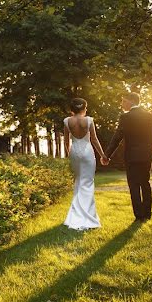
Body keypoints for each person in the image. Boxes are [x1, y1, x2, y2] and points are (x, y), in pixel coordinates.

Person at [104, 91, 152, 222]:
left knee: (134, 185)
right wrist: (147, 151)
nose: (121, 104)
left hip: (132, 157)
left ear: (130, 101)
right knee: (145, 183)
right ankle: (147, 213)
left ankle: (139, 215)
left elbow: (117, 137)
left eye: (122, 101)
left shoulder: (125, 117)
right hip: (146, 155)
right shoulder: (149, 116)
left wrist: (107, 155)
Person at [62, 97, 108, 230]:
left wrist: (69, 154)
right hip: (87, 152)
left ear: (72, 109)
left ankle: (75, 216)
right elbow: (94, 140)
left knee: (78, 182)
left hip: (74, 152)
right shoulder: (89, 120)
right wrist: (103, 155)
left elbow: (66, 141)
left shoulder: (67, 121)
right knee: (87, 183)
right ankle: (89, 216)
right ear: (83, 108)